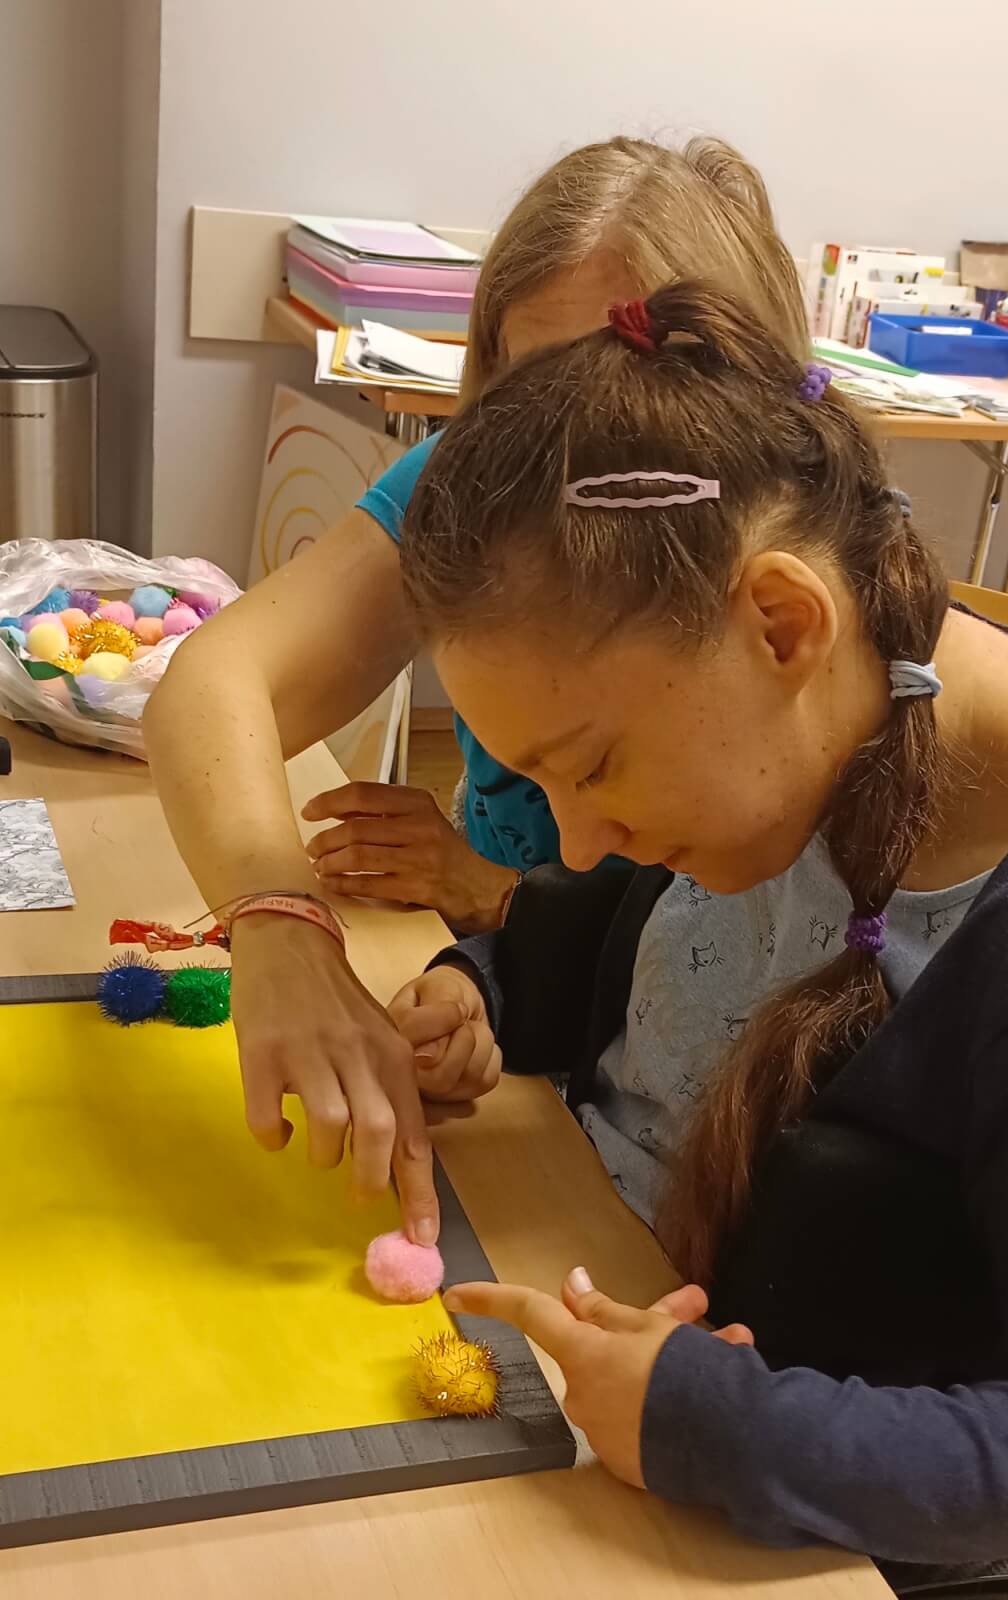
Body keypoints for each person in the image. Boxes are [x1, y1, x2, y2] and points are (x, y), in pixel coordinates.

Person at [384, 283, 1008, 1581]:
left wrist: (709, 1423)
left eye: (592, 766)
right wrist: (486, 984)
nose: (576, 840)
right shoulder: (805, 726)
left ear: (781, 623)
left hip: (795, 1533)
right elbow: (649, 949)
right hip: (597, 1314)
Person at [143, 136, 809, 1232]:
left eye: (605, 400)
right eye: (520, 401)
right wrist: (288, 927)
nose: (551, 470)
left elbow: (705, 961)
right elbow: (212, 683)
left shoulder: (764, 612)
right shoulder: (471, 497)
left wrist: (488, 896)